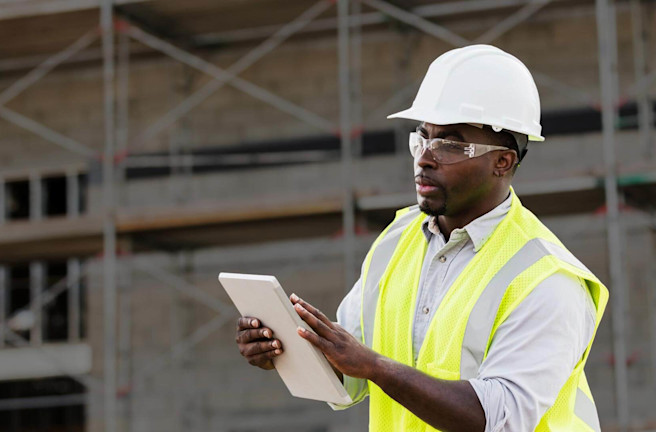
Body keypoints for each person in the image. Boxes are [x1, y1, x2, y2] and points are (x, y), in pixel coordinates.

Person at [234, 44, 608, 432]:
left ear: (503, 162)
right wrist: (286, 349)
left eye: (449, 143)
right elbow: (351, 374)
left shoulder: (547, 278)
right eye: (422, 138)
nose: (425, 158)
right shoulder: (397, 240)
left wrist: (375, 367)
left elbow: (499, 419)